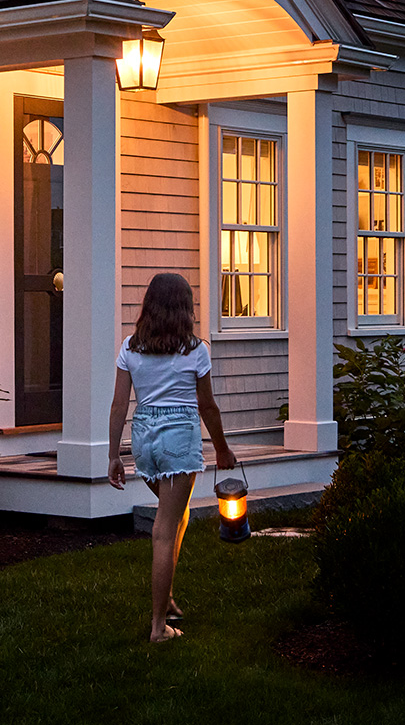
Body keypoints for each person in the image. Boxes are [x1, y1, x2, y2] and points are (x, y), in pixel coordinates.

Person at [106, 270, 239, 643]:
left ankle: (165, 596)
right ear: (185, 309)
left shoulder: (130, 348)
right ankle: (157, 627)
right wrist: (223, 448)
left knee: (177, 518)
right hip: (179, 439)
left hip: (145, 439)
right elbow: (207, 406)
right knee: (164, 530)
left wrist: (114, 454)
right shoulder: (196, 350)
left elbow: (119, 406)